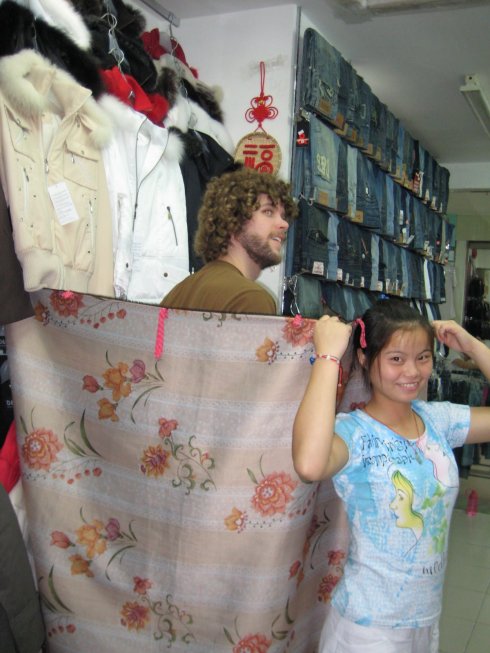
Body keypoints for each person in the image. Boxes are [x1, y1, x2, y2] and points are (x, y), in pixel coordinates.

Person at [292, 299, 490, 653]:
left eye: (423, 357)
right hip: (367, 630)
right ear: (365, 359)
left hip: (424, 622)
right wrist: (327, 357)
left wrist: (473, 346)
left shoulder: (437, 421)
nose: (412, 371)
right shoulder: (354, 433)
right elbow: (309, 464)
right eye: (396, 358)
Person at [161, 166, 297, 314]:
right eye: (268, 212)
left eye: (283, 216)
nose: (284, 224)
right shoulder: (250, 298)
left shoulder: (178, 293)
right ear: (234, 221)